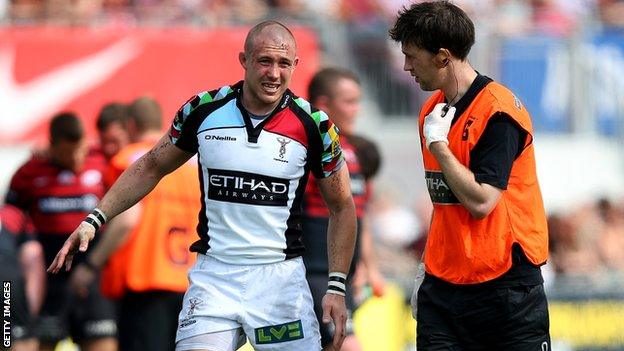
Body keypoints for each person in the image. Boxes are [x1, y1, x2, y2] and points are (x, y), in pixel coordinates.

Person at [48, 20, 357, 351]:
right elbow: (151, 165)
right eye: (265, 61)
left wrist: (336, 286)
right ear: (244, 60)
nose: (274, 73)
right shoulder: (205, 110)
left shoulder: (314, 125)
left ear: (296, 65)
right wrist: (95, 218)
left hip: (279, 284)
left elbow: (342, 206)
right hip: (215, 279)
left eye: (284, 64)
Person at [389, 2, 550, 350]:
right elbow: (443, 199)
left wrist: (441, 148)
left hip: (505, 288)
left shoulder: (499, 111)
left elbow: (481, 202)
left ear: (443, 57)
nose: (406, 67)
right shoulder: (432, 111)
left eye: (412, 56)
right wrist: (426, 265)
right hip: (444, 286)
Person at [68, 97, 201, 351]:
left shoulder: (127, 159)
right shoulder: (193, 164)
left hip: (145, 280)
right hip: (190, 283)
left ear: (130, 125)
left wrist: (92, 265)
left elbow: (127, 218)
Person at [5, 112, 118, 351]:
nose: (76, 158)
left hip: (92, 277)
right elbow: (11, 222)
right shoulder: (30, 171)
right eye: (68, 152)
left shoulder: (102, 161)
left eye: (80, 150)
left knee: (103, 343)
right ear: (53, 147)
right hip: (50, 279)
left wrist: (92, 265)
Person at [302, 67, 384, 351]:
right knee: (347, 345)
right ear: (324, 105)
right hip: (314, 273)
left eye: (358, 101)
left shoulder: (356, 151)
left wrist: (366, 265)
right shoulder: (305, 148)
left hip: (344, 278)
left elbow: (361, 215)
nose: (356, 110)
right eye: (349, 102)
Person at [0, 205, 45, 351]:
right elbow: (33, 255)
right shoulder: (13, 214)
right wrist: (29, 313)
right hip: (7, 287)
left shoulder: (12, 215)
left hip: (6, 287)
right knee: (16, 340)